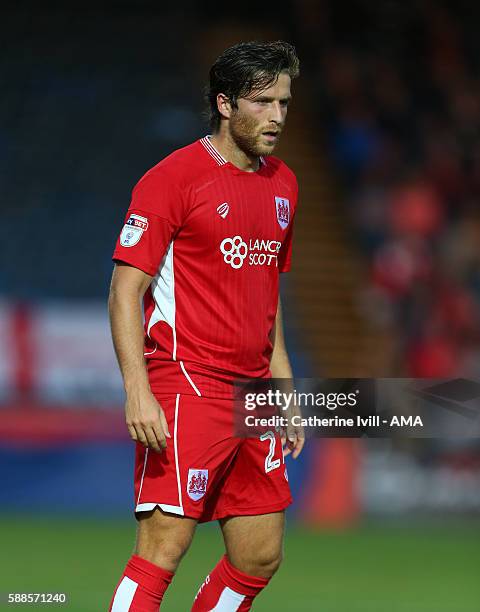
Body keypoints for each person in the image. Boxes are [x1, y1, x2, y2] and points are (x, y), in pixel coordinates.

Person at [108, 40, 304, 611]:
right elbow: (125, 290)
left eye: (285, 104)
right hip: (186, 382)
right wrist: (137, 389)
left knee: (260, 554)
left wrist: (283, 380)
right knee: (164, 546)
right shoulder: (174, 178)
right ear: (225, 103)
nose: (277, 117)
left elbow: (268, 287)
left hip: (255, 392)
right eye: (263, 102)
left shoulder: (285, 183)